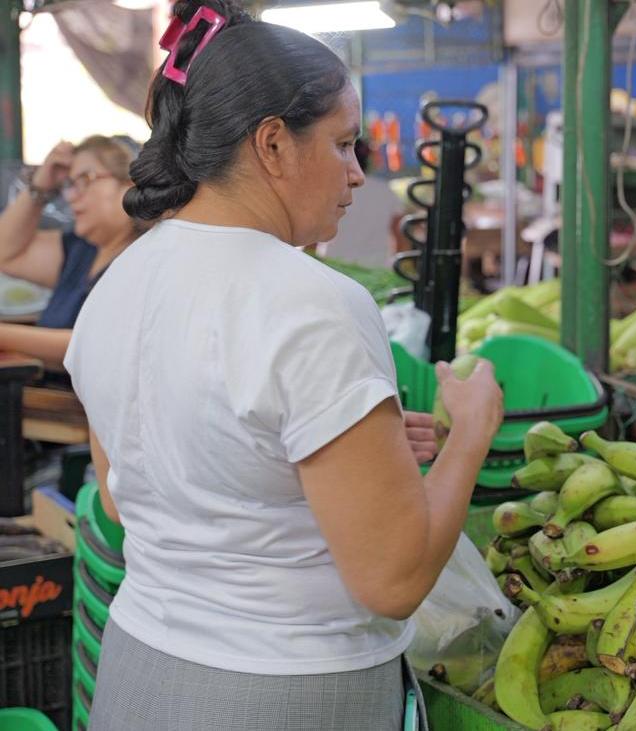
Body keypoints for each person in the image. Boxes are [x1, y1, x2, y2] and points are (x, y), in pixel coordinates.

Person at [64, 2, 502, 728]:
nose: (357, 174)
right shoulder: (313, 300)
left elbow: (123, 497)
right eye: (342, 144)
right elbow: (392, 578)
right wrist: (470, 435)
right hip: (287, 692)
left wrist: (352, 460)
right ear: (272, 145)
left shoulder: (119, 283)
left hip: (139, 667)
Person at [0, 136, 140, 372]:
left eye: (86, 179)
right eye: (69, 185)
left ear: (129, 184)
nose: (71, 196)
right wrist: (41, 187)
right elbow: (5, 253)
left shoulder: (144, 256)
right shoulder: (81, 250)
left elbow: (98, 343)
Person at [317, 138, 404, 267]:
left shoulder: (329, 190)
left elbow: (312, 234)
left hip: (334, 269)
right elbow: (400, 235)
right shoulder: (385, 191)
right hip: (376, 273)